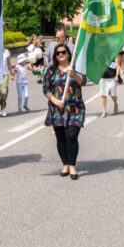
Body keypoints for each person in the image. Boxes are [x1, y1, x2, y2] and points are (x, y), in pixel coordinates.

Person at [43, 43, 87, 180]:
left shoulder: (76, 67)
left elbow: (83, 82)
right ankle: (65, 164)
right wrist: (55, 101)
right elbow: (46, 88)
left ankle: (72, 165)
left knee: (71, 136)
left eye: (63, 52)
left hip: (75, 109)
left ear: (68, 53)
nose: (61, 55)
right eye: (58, 53)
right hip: (57, 109)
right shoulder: (51, 70)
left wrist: (74, 75)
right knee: (61, 138)